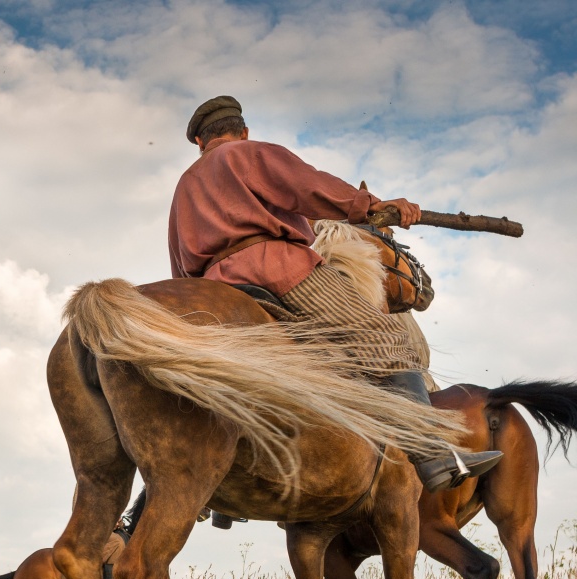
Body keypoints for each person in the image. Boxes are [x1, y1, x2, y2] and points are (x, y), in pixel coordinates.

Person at [169, 96, 501, 492]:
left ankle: (217, 497)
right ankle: (433, 456)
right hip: (273, 267)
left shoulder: (184, 187)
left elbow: (178, 267)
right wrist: (372, 205)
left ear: (199, 142)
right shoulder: (247, 153)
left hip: (209, 286)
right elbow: (305, 186)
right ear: (242, 131)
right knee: (385, 336)